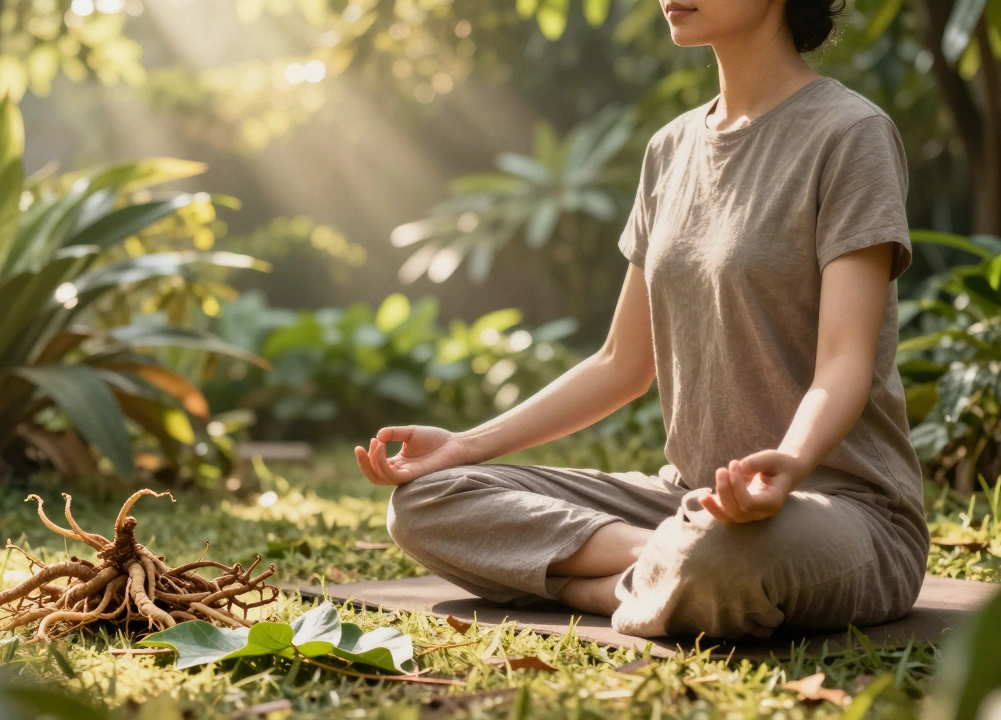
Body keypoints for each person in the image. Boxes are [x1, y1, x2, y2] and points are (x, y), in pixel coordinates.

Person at [353, 0, 930, 640]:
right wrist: (465, 446)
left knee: (721, 555)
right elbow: (620, 364)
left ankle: (608, 581)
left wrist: (789, 464)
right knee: (426, 502)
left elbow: (845, 360)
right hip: (685, 502)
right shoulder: (670, 149)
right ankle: (662, 566)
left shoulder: (850, 133)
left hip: (841, 510)